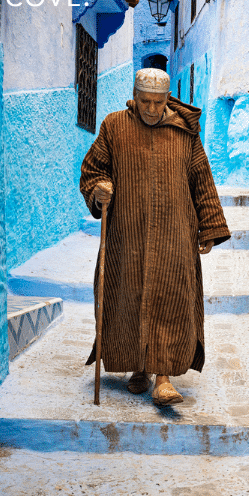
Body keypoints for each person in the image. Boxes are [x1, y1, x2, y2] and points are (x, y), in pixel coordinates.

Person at [79, 68, 230, 406]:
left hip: (174, 234)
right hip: (126, 234)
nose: (150, 109)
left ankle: (163, 377)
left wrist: (210, 226)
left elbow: (201, 180)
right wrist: (99, 190)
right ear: (135, 97)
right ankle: (138, 368)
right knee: (127, 299)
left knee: (170, 301)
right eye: (144, 101)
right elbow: (92, 170)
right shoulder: (114, 127)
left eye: (157, 102)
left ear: (166, 100)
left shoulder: (184, 133)